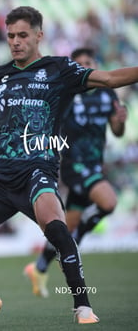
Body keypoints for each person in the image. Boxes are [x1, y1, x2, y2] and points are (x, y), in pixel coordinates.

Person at [0, 6, 138, 326]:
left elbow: (110, 78)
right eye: (11, 36)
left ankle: (82, 306)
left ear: (38, 35)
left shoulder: (60, 70)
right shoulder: (0, 75)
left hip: (36, 168)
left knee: (58, 228)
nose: (15, 42)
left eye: (22, 35)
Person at [24, 47, 127, 298]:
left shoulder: (107, 93)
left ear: (95, 64)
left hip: (95, 163)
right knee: (109, 202)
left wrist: (119, 122)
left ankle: (38, 267)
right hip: (74, 164)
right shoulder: (67, 94)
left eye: (88, 62)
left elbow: (117, 132)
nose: (84, 67)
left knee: (65, 227)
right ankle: (76, 241)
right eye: (79, 64)